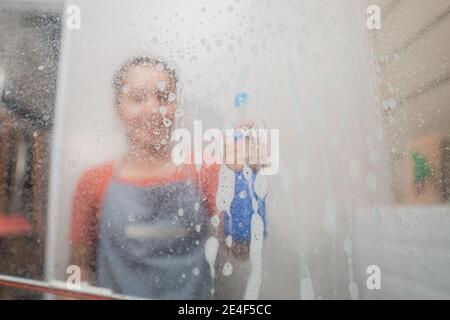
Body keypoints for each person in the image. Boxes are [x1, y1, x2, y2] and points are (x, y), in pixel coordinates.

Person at [70, 56, 267, 299]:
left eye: (164, 98)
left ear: (177, 107)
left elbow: (240, 248)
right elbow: (79, 267)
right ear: (118, 108)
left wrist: (244, 180)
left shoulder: (204, 170)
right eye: (138, 98)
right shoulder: (93, 181)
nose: (154, 110)